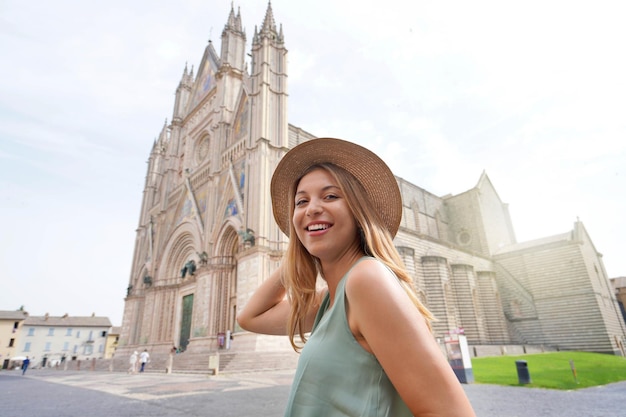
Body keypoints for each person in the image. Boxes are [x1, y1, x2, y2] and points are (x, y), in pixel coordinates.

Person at [237, 138, 477, 417]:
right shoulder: (330, 301)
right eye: (301, 202)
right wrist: (301, 246)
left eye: (330, 196)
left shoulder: (366, 279)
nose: (312, 207)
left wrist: (310, 234)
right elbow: (249, 318)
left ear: (358, 212)